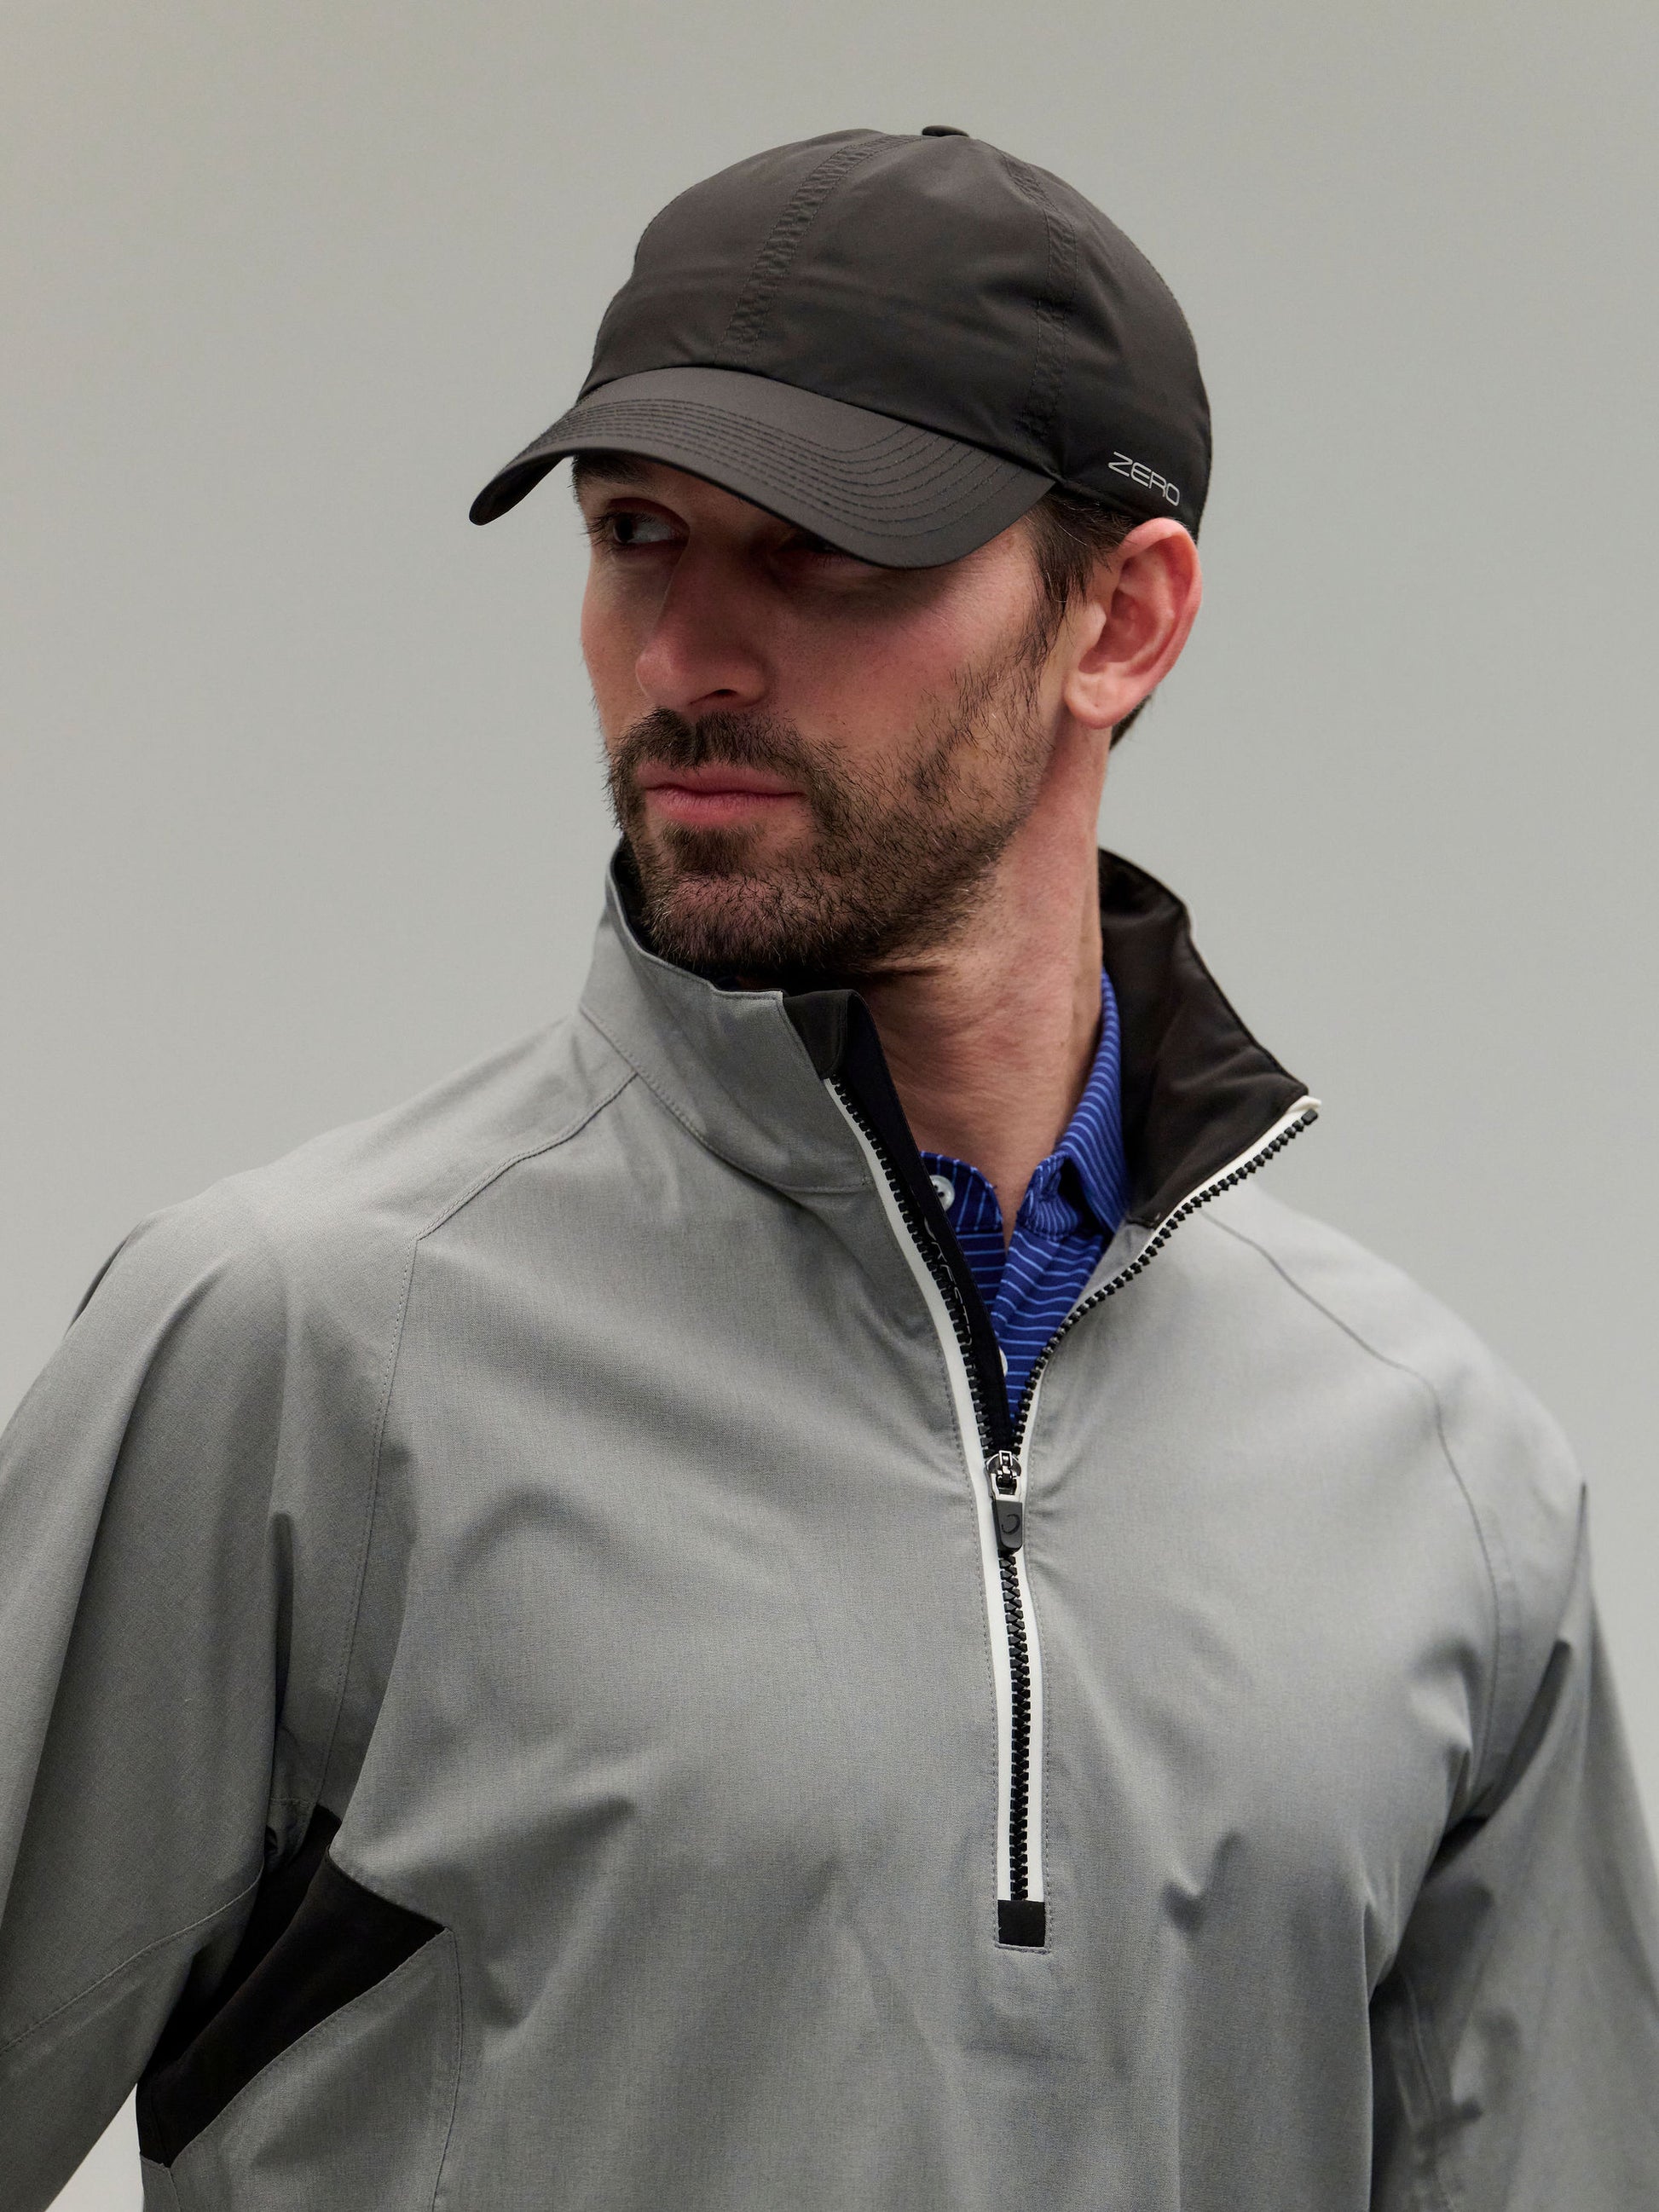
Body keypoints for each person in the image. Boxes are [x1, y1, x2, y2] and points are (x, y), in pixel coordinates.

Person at [1, 126, 1654, 2212]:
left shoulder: (1443, 1481)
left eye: (823, 555)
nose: (687, 653)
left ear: (1121, 619)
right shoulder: (299, 1347)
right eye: (637, 533)